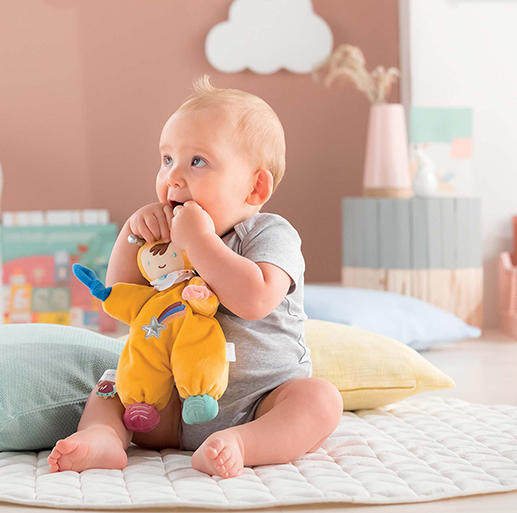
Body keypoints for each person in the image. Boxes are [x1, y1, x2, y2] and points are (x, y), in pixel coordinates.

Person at [48, 75, 343, 479]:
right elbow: (123, 303)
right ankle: (103, 436)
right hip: (169, 404)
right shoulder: (166, 234)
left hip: (259, 401)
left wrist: (201, 241)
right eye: (167, 159)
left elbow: (254, 299)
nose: (173, 177)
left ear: (255, 188)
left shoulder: (270, 234)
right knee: (113, 382)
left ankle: (242, 443)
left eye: (197, 161)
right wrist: (131, 236)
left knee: (320, 401)